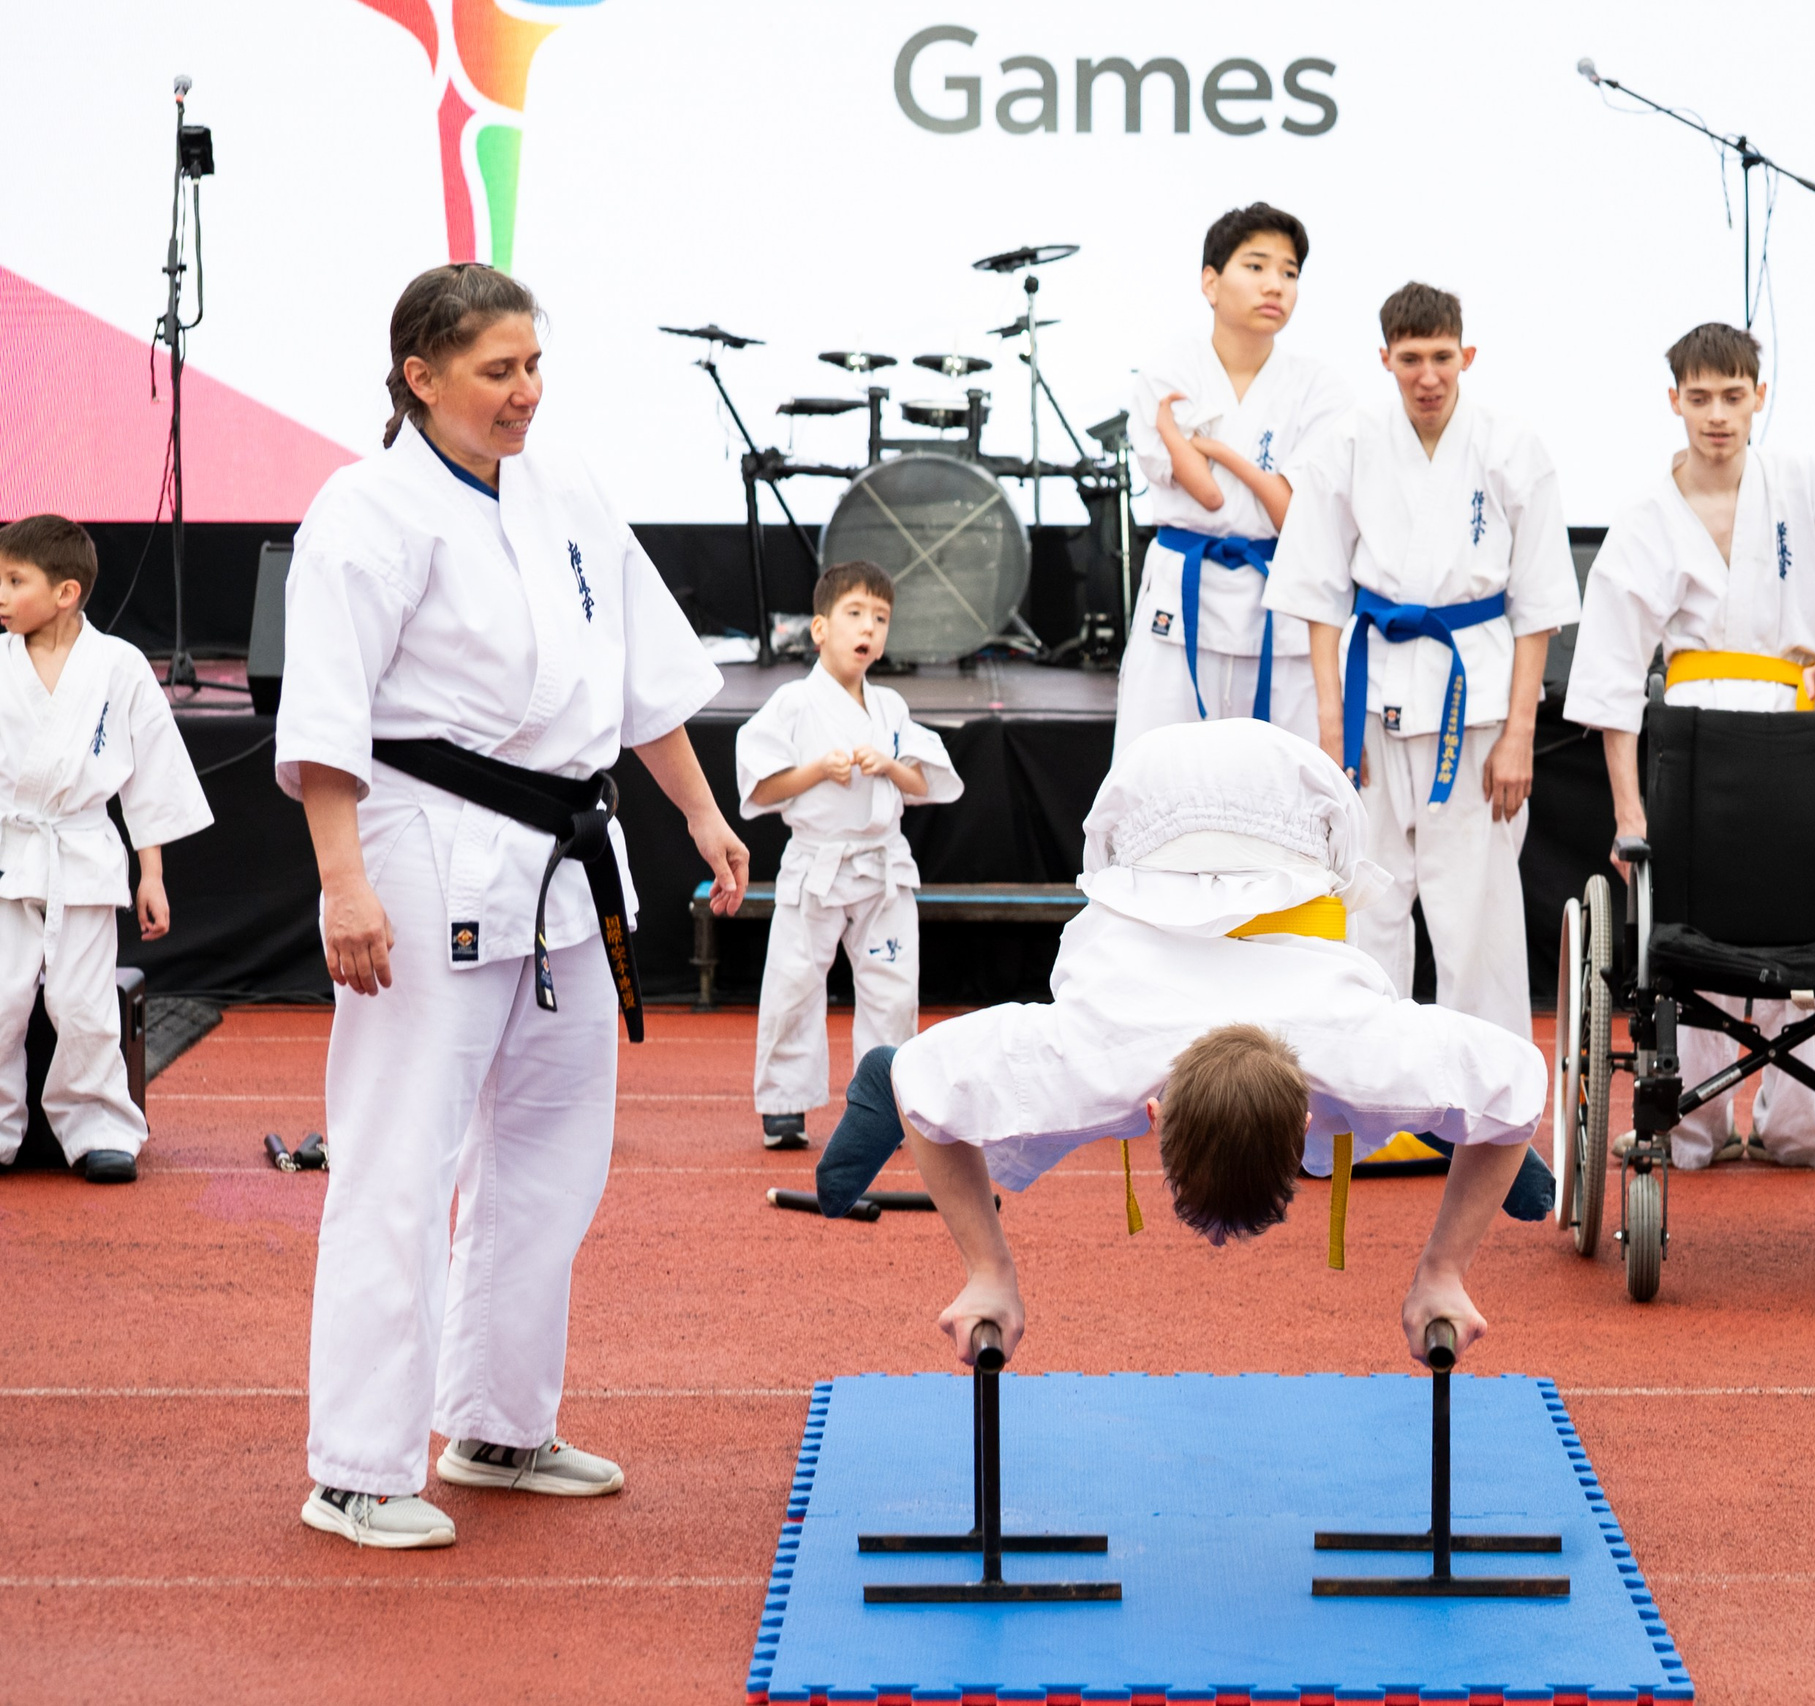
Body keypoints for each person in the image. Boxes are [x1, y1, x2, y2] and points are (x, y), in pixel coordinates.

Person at [278, 262, 751, 1550]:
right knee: (398, 1157)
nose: (524, 392)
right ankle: (360, 1464)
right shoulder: (366, 510)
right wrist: (343, 880)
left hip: (562, 851)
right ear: (420, 377)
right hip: (419, 846)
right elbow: (323, 716)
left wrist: (702, 813)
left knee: (551, 1157)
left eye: (535, 364)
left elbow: (644, 675)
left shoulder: (568, 489)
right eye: (497, 371)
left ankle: (495, 1420)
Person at [809, 718, 1554, 1366]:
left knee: (1437, 1088)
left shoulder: (1341, 1048)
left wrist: (990, 1270)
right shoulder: (1106, 1060)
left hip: (1277, 807)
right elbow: (916, 1083)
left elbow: (1514, 1087)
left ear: (1153, 1117)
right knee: (1433, 1093)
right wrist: (1441, 1270)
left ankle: (1467, 1126)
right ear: (1158, 1116)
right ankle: (1466, 1128)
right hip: (1155, 814)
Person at [1562, 322, 1815, 1170]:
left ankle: (1802, 1127)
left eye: (1732, 396)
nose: (1716, 415)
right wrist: (1626, 813)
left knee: (1807, 916)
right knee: (1700, 928)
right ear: (1673, 401)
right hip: (1694, 732)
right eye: (1699, 398)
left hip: (1802, 723)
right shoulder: (1647, 516)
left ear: (1760, 397)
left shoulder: (1803, 481)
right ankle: (1695, 1122)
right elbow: (1612, 680)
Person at [1265, 282, 1579, 1043]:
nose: (1428, 375)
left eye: (1442, 357)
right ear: (1385, 359)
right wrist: (1331, 718)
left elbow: (1537, 606)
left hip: (1475, 707)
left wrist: (1518, 734)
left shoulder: (1512, 447)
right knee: (1367, 902)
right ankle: (1367, 1087)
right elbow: (1315, 589)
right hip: (1370, 700)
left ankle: (1486, 1103)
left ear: (1467, 355)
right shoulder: (1346, 444)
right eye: (1411, 358)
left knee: (1478, 911)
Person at [0, 515, 213, 1183]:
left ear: (66, 592)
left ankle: (99, 1125)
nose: (0, 594)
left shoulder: (118, 665)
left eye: (14, 580)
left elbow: (149, 777)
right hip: (10, 847)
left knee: (84, 1002)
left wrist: (153, 874)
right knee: (0, 999)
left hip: (83, 852)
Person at [1114, 202, 1358, 755]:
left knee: (1280, 787)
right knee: (1156, 771)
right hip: (1181, 598)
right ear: (1211, 281)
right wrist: (1233, 470)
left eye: (1290, 273)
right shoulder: (1169, 368)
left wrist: (1215, 447)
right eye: (1256, 266)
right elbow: (1207, 491)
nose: (1276, 285)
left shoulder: (1321, 389)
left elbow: (1291, 513)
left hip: (1279, 598)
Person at [736, 559, 961, 1150]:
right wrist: (815, 771)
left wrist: (889, 765)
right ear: (819, 628)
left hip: (882, 866)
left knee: (891, 990)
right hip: (816, 866)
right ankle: (785, 1106)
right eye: (855, 614)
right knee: (793, 983)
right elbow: (758, 789)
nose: (869, 628)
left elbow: (928, 784)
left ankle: (882, 1107)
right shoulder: (791, 702)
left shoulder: (890, 707)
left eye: (881, 618)